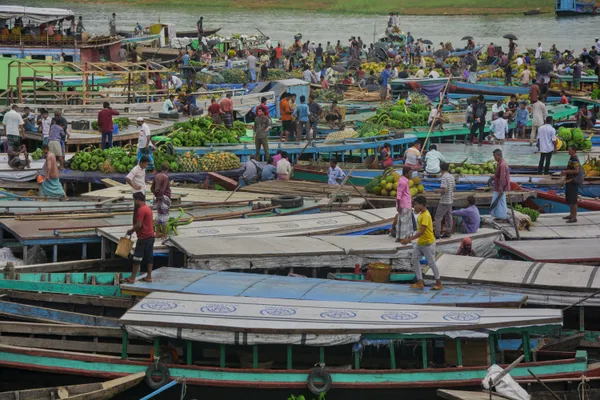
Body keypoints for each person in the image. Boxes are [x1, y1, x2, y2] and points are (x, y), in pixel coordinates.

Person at [399, 195, 443, 291]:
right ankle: (420, 282)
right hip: (421, 243)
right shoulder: (421, 215)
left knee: (431, 263)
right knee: (414, 259)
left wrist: (408, 240)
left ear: (421, 205)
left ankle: (438, 283)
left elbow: (421, 231)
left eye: (416, 204)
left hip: (427, 243)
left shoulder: (426, 215)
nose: (414, 207)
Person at [122, 192, 154, 284]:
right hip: (150, 236)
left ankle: (132, 278)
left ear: (138, 200)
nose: (134, 202)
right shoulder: (148, 208)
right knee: (149, 257)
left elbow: (139, 224)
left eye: (135, 200)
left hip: (143, 237)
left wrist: (131, 230)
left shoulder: (141, 210)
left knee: (137, 258)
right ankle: (149, 276)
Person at [561, 145, 584, 223]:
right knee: (570, 199)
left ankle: (574, 217)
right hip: (569, 181)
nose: (568, 151)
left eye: (570, 150)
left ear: (574, 150)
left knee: (573, 200)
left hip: (572, 182)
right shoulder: (572, 158)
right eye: (568, 150)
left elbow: (576, 171)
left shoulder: (574, 159)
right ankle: (571, 215)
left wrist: (566, 171)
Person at [392, 167, 415, 241]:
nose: (411, 174)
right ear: (406, 173)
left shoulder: (404, 181)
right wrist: (398, 206)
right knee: (404, 222)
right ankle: (403, 238)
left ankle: (399, 237)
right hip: (404, 204)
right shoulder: (403, 182)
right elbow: (399, 195)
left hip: (405, 203)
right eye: (410, 173)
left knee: (401, 221)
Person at [434, 162, 455, 239]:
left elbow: (444, 189)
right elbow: (453, 187)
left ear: (441, 169)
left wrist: (437, 191)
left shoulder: (444, 177)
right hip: (450, 199)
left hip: (444, 200)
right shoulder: (451, 176)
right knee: (449, 216)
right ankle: (448, 232)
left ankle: (437, 234)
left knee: (438, 217)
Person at [151, 162, 171, 239]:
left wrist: (156, 196)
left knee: (159, 215)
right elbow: (162, 190)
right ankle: (164, 235)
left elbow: (152, 188)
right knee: (164, 216)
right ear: (167, 170)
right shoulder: (165, 177)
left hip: (158, 197)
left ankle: (157, 233)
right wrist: (160, 197)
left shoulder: (156, 176)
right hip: (164, 198)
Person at [491, 149, 510, 222]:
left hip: (500, 187)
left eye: (494, 156)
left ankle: (502, 217)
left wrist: (501, 188)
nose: (494, 158)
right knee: (498, 201)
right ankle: (499, 216)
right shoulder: (501, 163)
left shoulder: (502, 165)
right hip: (499, 186)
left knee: (500, 202)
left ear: (498, 155)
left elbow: (502, 178)